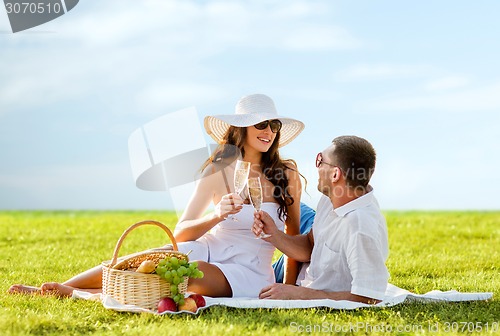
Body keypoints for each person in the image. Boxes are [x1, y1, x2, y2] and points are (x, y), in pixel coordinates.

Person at [8, 93, 304, 298]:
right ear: (242, 128)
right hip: (206, 249)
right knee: (150, 259)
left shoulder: (286, 175)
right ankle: (62, 287)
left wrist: (289, 290)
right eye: (262, 124)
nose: (269, 131)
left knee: (187, 272)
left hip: (248, 271)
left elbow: (293, 239)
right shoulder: (217, 171)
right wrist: (217, 215)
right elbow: (182, 231)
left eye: (274, 125)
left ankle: (82, 293)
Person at [253, 135, 389, 304]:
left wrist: (299, 294)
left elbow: (369, 296)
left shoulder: (359, 228)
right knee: (284, 201)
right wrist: (273, 234)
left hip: (306, 282)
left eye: (320, 160)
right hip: (308, 269)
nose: (316, 166)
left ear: (335, 174)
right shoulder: (332, 197)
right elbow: (311, 244)